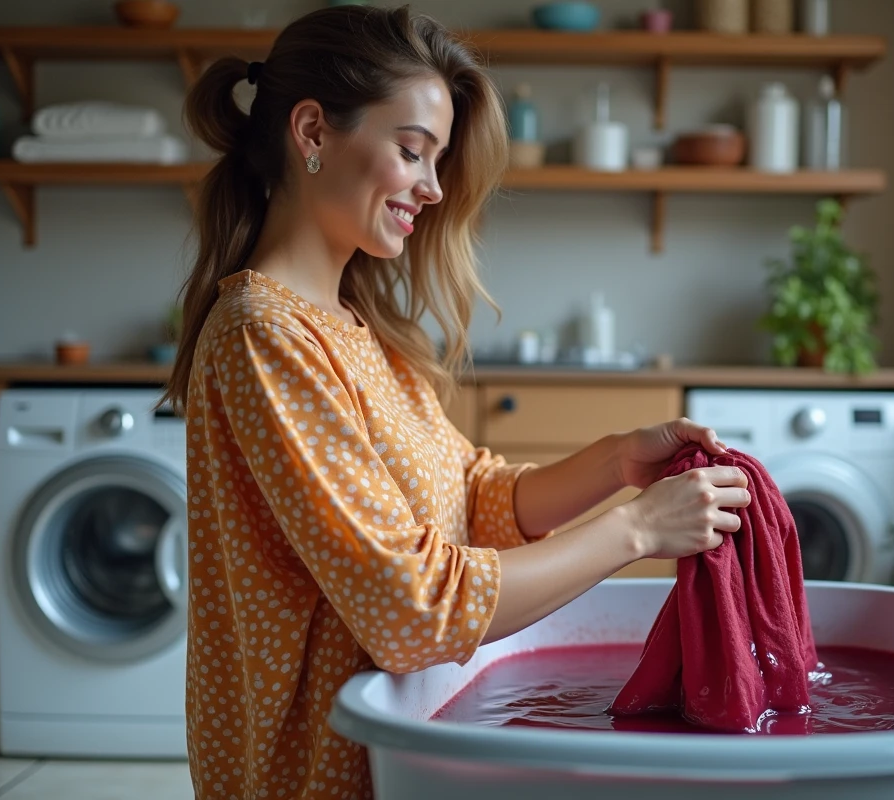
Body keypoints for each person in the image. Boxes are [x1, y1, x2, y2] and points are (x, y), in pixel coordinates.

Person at [160, 6, 751, 798]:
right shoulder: (264, 336)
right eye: (413, 152)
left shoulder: (358, 329)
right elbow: (413, 609)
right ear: (312, 132)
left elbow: (474, 498)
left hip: (388, 753)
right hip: (309, 773)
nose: (434, 189)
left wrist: (619, 462)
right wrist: (638, 529)